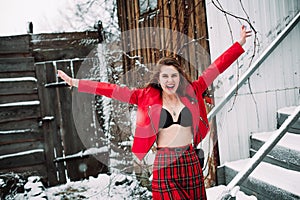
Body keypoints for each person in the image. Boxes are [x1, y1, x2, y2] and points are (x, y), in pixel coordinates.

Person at [58, 26, 251, 200]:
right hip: (165, 163)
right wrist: (77, 83)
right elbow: (110, 89)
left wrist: (239, 43)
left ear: (180, 77)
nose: (170, 80)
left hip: (190, 159)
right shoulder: (145, 97)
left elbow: (215, 68)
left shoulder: (192, 90)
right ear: (158, 78)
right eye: (165, 76)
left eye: (174, 75)